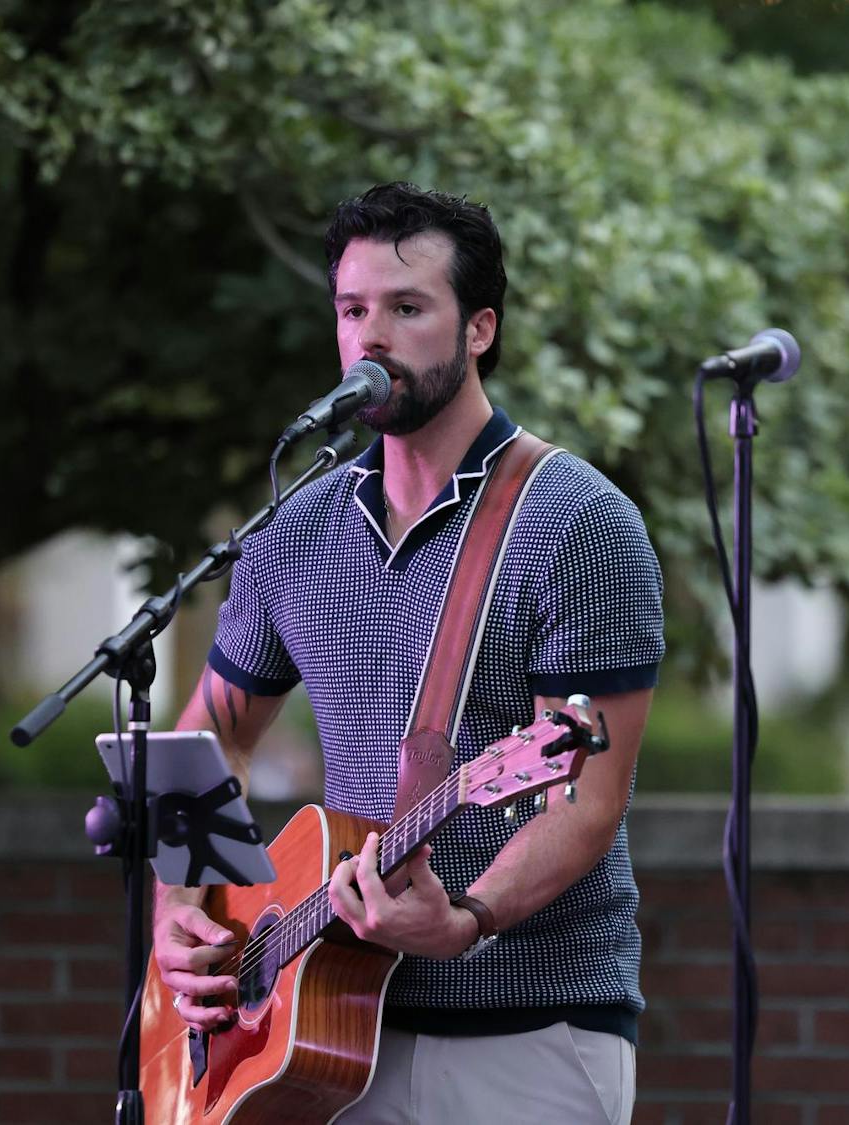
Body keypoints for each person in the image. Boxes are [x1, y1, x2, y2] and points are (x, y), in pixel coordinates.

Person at [151, 182, 664, 1123]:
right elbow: (210, 742)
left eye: (406, 307)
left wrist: (466, 919)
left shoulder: (578, 523)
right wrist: (182, 915)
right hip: (326, 1031)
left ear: (478, 329)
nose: (371, 335)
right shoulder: (293, 529)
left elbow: (587, 796)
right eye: (353, 310)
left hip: (534, 1030)